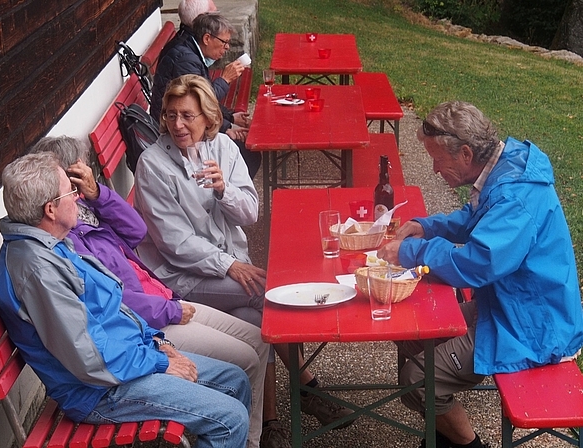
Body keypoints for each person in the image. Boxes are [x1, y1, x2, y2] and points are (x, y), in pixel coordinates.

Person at [134, 74, 355, 448]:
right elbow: (175, 244)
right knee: (267, 295)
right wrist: (228, 266)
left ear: (207, 117)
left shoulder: (222, 148)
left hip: (225, 268)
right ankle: (308, 387)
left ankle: (266, 426)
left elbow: (250, 212)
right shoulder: (153, 165)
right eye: (171, 115)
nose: (178, 125)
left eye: (187, 115)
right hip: (180, 278)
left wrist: (224, 190)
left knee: (257, 322)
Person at [0, 152, 251, 448]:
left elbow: (113, 306)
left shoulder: (50, 244)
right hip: (101, 391)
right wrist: (158, 362)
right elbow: (88, 358)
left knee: (235, 379)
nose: (77, 198)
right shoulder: (38, 271)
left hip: (127, 361)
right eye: (72, 192)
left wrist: (158, 341)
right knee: (230, 420)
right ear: (50, 209)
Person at [377, 101, 583, 448]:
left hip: (534, 328)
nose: (434, 169)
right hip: (510, 306)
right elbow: (474, 221)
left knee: (417, 380)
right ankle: (442, 432)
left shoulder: (515, 196)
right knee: (414, 331)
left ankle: (469, 444)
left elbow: (478, 263)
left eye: (437, 160)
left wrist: (412, 251)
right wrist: (425, 228)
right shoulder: (505, 167)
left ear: (466, 153)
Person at [150, 12, 261, 178]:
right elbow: (200, 101)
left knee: (245, 150)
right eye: (224, 42)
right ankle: (226, 193)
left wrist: (230, 117)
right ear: (207, 38)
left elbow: (200, 100)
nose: (227, 47)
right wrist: (224, 80)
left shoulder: (191, 52)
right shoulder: (185, 60)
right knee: (248, 154)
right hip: (174, 129)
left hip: (186, 119)